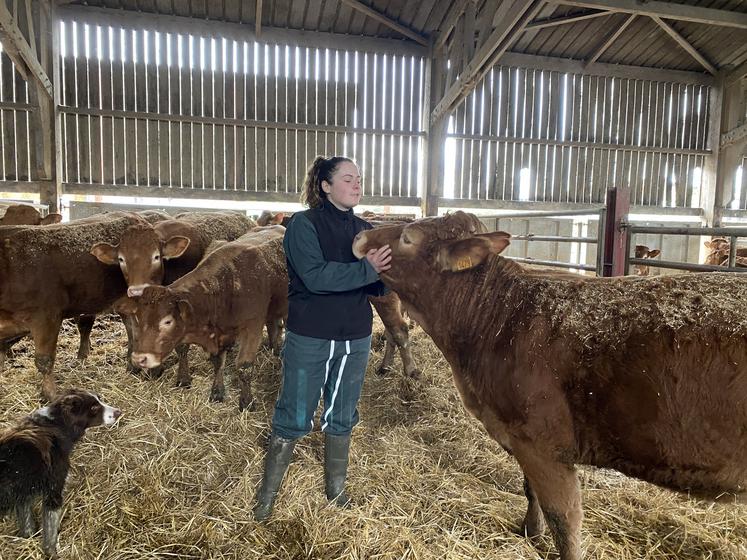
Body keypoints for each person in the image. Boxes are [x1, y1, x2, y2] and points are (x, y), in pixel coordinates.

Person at [254, 156, 392, 521]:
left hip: (355, 336)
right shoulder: (304, 225)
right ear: (326, 186)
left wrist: (390, 273)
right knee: (295, 412)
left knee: (342, 412)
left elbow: (378, 284)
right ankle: (267, 497)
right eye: (348, 178)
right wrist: (366, 269)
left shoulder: (366, 229)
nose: (357, 184)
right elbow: (315, 277)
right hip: (311, 334)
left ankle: (336, 491)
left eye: (359, 179)